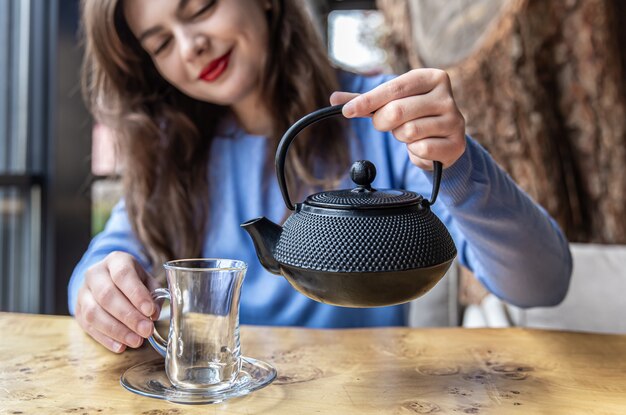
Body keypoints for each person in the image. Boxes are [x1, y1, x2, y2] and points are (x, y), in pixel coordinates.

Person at [69, 0, 572, 353]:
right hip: (224, 396)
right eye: (160, 44)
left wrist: (459, 165)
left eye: (200, 7)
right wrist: (99, 289)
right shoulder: (171, 154)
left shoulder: (382, 121)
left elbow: (542, 284)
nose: (190, 45)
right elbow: (103, 262)